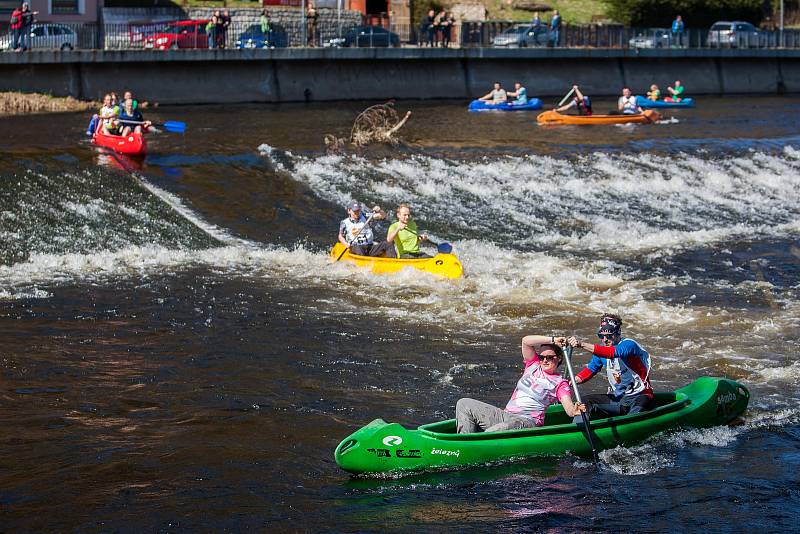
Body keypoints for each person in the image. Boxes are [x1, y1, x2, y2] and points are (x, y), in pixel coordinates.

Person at [456, 336, 586, 433]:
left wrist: (573, 410)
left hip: (528, 421)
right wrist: (552, 339)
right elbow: (526, 341)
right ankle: (462, 444)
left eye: (550, 357)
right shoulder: (532, 365)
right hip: (506, 415)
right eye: (542, 357)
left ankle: (476, 445)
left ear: (559, 358)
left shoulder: (560, 383)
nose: (544, 360)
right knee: (464, 404)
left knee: (499, 429)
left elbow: (568, 407)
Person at [566, 313, 653, 422]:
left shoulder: (629, 345)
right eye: (601, 336)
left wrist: (582, 344)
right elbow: (591, 369)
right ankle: (578, 430)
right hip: (619, 399)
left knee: (631, 420)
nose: (605, 340)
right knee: (585, 401)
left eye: (609, 335)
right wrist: (572, 381)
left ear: (618, 333)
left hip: (640, 396)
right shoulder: (602, 350)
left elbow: (613, 353)